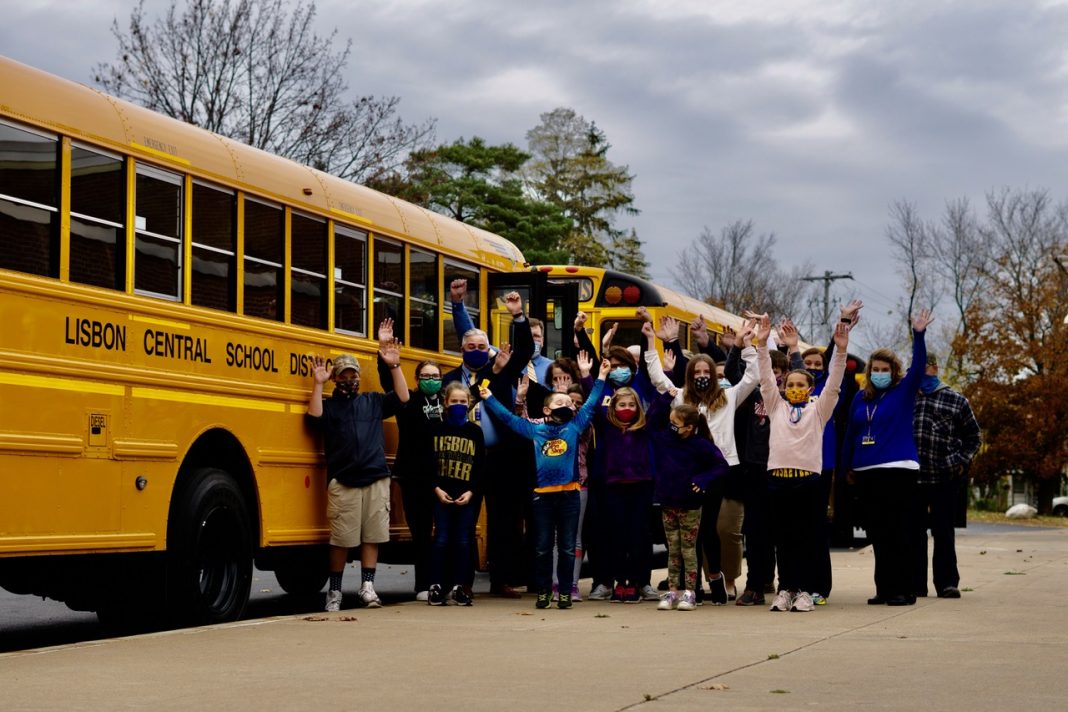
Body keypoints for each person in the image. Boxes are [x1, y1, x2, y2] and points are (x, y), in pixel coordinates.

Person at [645, 315, 760, 605]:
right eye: (695, 371)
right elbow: (660, 381)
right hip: (690, 473)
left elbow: (753, 378)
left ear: (713, 373)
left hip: (724, 470)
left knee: (712, 529)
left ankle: (717, 578)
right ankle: (690, 587)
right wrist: (650, 342)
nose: (701, 375)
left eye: (705, 370)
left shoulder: (730, 396)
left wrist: (746, 345)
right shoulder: (683, 397)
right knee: (691, 532)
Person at [479, 358, 611, 609]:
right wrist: (488, 397)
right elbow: (507, 418)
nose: (567, 405)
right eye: (560, 402)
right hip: (543, 496)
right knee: (541, 547)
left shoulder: (575, 426)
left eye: (570, 404)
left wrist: (600, 376)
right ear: (546, 410)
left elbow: (592, 403)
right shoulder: (535, 430)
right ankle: (543, 590)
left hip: (570, 495)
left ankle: (564, 591)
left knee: (568, 547)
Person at [442, 284, 534, 599]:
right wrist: (457, 305)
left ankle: (502, 580)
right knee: (463, 520)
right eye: (471, 346)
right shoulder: (450, 381)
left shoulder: (503, 373)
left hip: (501, 456)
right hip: (465, 458)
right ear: (462, 350)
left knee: (504, 521)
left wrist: (518, 316)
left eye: (483, 345)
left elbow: (524, 350)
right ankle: (462, 581)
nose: (477, 349)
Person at [306, 332, 409, 612]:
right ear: (336, 379)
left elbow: (402, 397)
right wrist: (318, 384)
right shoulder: (330, 406)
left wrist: (394, 365)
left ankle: (367, 587)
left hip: (375, 478)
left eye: (353, 375)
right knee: (341, 539)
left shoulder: (373, 401)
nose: (350, 379)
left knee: (371, 536)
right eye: (343, 375)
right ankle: (335, 591)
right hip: (344, 481)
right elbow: (314, 419)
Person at [755, 314, 852, 612]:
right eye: (791, 383)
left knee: (807, 537)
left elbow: (834, 383)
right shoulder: (776, 406)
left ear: (810, 389)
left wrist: (841, 349)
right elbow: (766, 378)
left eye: (801, 384)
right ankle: (786, 588)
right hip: (777, 480)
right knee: (782, 539)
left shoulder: (818, 410)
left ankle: (807, 590)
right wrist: (761, 344)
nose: (795, 387)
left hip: (808, 481)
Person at [842, 309, 934, 607]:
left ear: (893, 371)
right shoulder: (860, 397)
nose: (879, 373)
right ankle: (884, 588)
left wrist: (918, 335)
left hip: (898, 470)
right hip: (866, 472)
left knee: (900, 532)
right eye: (874, 369)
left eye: (884, 369)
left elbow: (919, 365)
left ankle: (904, 590)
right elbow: (850, 433)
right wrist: (847, 465)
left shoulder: (903, 391)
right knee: (878, 535)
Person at [375, 320, 443, 601]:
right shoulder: (409, 402)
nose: (431, 379)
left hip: (446, 476)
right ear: (417, 379)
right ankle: (423, 586)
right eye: (425, 375)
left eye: (436, 375)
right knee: (422, 533)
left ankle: (448, 582)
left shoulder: (451, 403)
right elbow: (390, 384)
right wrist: (385, 353)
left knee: (446, 533)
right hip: (415, 477)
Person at [650, 399, 730, 612]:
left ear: (689, 427)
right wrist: (663, 397)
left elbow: (721, 466)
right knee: (673, 550)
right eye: (670, 421)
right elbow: (652, 423)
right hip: (668, 502)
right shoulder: (663, 439)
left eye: (676, 422)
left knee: (689, 550)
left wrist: (702, 480)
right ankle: (673, 591)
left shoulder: (700, 444)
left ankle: (690, 593)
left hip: (690, 505)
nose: (671, 425)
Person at [912, 354, 981, 599]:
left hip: (945, 478)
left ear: (934, 368)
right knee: (913, 534)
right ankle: (915, 584)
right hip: (912, 479)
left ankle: (947, 583)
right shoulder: (906, 398)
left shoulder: (955, 400)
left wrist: (960, 463)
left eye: (924, 367)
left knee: (943, 532)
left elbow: (974, 437)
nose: (921, 373)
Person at [427, 382, 486, 606]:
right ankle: (436, 586)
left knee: (464, 540)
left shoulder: (475, 432)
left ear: (470, 404)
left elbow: (480, 466)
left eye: (463, 402)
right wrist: (436, 489)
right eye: (454, 402)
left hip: (466, 496)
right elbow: (428, 463)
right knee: (441, 539)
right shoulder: (435, 429)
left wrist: (472, 491)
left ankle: (460, 586)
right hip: (441, 494)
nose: (459, 405)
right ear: (445, 403)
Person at [594, 385, 655, 603]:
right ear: (613, 407)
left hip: (641, 487)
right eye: (621, 404)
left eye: (631, 405)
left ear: (638, 408)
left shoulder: (644, 427)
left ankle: (637, 582)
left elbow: (658, 407)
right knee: (617, 536)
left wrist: (666, 384)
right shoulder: (607, 427)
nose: (626, 409)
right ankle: (620, 581)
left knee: (638, 536)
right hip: (615, 487)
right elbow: (593, 403)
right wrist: (588, 377)